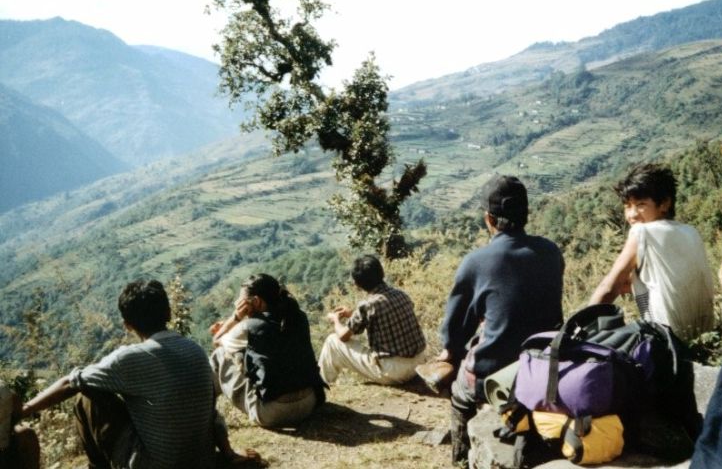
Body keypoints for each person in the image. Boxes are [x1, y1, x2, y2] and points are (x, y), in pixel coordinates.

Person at [9, 279, 255, 468]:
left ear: (127, 325)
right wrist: (228, 453)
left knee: (88, 396)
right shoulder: (195, 349)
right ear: (168, 313)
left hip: (156, 465)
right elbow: (210, 409)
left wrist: (23, 410)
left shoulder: (130, 357)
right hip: (202, 462)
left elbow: (70, 381)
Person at [436, 175, 565, 465]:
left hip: (495, 377)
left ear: (488, 219)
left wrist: (450, 350)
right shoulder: (550, 251)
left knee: (459, 391)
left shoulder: (477, 261)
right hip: (544, 368)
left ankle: (461, 460)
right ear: (526, 214)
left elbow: (454, 332)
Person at [589, 163, 715, 341]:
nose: (631, 215)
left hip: (666, 339)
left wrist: (577, 327)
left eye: (640, 205)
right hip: (705, 334)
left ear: (664, 203)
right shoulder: (690, 231)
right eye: (627, 206)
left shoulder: (642, 232)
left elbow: (608, 288)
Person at [209, 273, 327, 428]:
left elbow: (217, 341)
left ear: (256, 301)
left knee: (220, 355)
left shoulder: (248, 327)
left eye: (241, 301)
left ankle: (207, 415)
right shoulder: (299, 317)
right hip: (309, 403)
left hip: (274, 413)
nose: (238, 304)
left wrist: (236, 317)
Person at [318, 255, 428, 385]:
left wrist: (335, 319)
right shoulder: (401, 294)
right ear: (381, 272)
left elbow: (343, 336)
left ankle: (321, 385)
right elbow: (386, 314)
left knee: (332, 341)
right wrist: (352, 314)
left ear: (357, 284)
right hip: (419, 364)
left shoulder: (367, 305)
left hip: (395, 371)